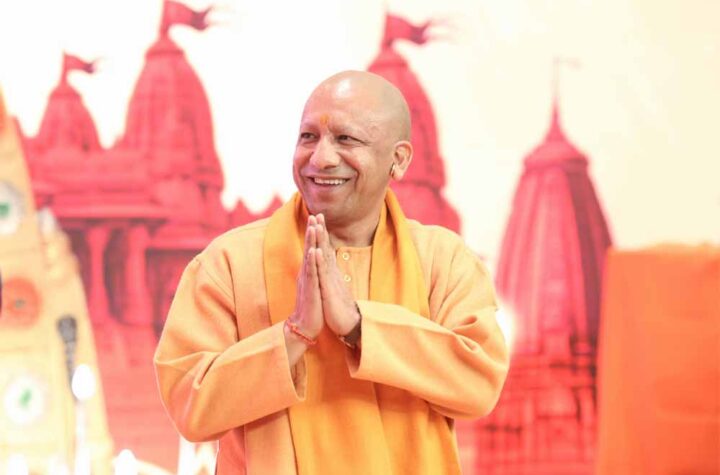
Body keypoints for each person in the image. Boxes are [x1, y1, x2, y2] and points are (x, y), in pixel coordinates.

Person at [154, 70, 509, 474]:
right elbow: (189, 404)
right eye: (309, 136)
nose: (321, 157)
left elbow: (478, 384)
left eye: (346, 139)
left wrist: (359, 326)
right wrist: (294, 335)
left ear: (398, 159)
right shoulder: (230, 263)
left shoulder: (442, 260)